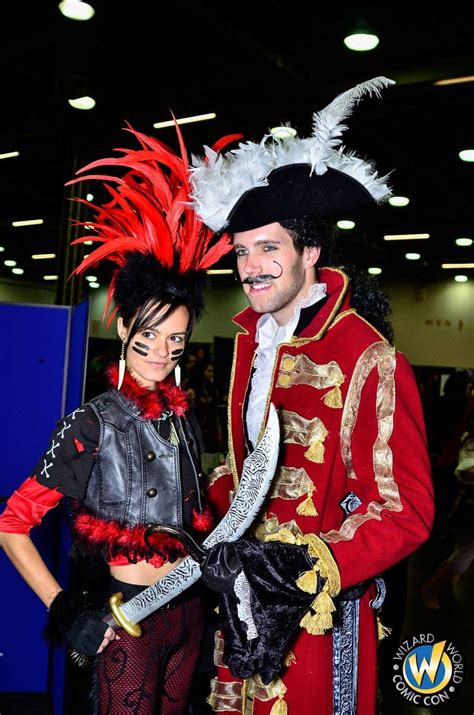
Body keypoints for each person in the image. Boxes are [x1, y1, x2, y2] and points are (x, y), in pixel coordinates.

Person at [190, 77, 434, 714]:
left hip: (318, 615)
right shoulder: (250, 343)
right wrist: (204, 522)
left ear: (311, 252)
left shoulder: (368, 358)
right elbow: (242, 472)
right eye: (242, 252)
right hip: (239, 604)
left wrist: (308, 565)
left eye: (269, 248)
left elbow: (405, 510)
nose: (251, 268)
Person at [0, 124, 234, 714]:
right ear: (123, 327)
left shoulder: (185, 421)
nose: (161, 352)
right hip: (128, 622)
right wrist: (66, 608)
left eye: (176, 340)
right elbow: (11, 524)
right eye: (149, 334)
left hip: (190, 618)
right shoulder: (91, 424)